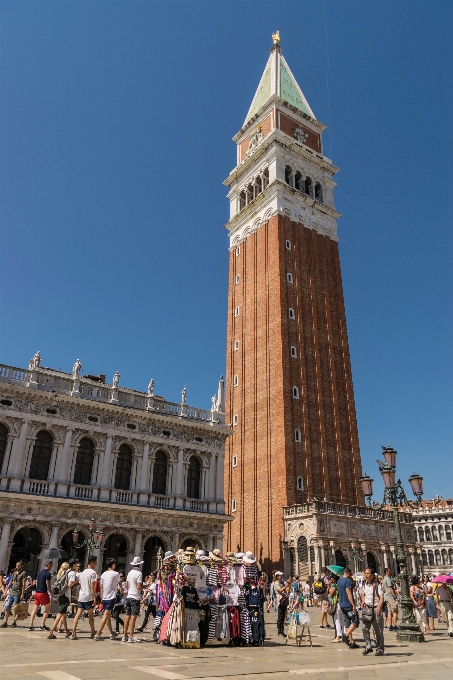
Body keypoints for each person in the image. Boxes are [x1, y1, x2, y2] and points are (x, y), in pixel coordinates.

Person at [47, 560, 78, 639]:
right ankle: (51, 632)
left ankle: (67, 631)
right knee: (60, 614)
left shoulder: (65, 572)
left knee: (64, 614)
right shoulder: (72, 573)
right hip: (66, 596)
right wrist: (75, 582)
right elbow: (69, 584)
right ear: (73, 565)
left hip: (61, 594)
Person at [71, 555, 98, 639]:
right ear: (92, 562)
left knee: (77, 615)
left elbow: (80, 585)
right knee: (91, 616)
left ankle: (73, 633)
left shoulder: (82, 573)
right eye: (95, 562)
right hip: (88, 596)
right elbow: (93, 587)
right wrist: (94, 598)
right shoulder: (93, 573)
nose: (96, 564)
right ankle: (93, 632)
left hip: (81, 596)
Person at [94, 558, 121, 640]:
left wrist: (102, 598)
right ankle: (98, 634)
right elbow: (119, 583)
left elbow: (101, 587)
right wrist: (122, 590)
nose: (115, 566)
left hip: (105, 598)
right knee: (105, 616)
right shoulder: (116, 574)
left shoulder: (103, 574)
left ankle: (112, 633)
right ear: (112, 565)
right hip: (111, 597)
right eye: (114, 564)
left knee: (108, 616)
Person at [361, 567, 384, 656]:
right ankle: (368, 646)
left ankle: (380, 649)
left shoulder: (377, 584)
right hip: (367, 609)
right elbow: (364, 595)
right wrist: (363, 600)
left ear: (372, 575)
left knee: (378, 631)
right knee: (364, 628)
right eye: (365, 573)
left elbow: (381, 597)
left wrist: (379, 607)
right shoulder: (364, 584)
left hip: (376, 609)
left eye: (367, 573)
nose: (365, 575)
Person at [123, 556, 143, 643]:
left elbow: (126, 585)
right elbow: (139, 587)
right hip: (135, 597)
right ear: (139, 565)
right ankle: (131, 636)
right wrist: (145, 586)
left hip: (129, 596)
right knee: (133, 617)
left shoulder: (130, 573)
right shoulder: (139, 574)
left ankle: (124, 636)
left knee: (127, 617)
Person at [337, 567, 359, 648]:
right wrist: (353, 605)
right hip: (348, 606)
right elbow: (348, 593)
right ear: (348, 573)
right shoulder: (347, 581)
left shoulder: (339, 581)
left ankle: (351, 641)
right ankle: (345, 635)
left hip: (342, 605)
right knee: (355, 620)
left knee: (347, 622)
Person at [1, 560, 26, 628]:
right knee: (7, 607)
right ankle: (5, 622)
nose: (17, 567)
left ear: (21, 566)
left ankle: (14, 622)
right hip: (12, 592)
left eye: (18, 566)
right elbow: (10, 582)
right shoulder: (14, 573)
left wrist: (22, 594)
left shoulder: (23, 573)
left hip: (18, 593)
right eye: (16, 566)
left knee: (16, 608)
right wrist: (6, 591)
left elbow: (23, 584)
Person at [29, 559, 53, 630]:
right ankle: (42, 625)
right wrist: (50, 591)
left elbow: (36, 582)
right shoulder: (48, 574)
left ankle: (31, 625)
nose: (51, 567)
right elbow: (47, 583)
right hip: (43, 593)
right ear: (48, 565)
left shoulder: (40, 573)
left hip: (37, 592)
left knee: (34, 609)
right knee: (47, 609)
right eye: (51, 566)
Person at [112, 570, 126, 634]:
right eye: (119, 576)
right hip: (116, 601)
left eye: (121, 576)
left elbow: (126, 592)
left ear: (124, 577)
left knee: (115, 615)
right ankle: (118, 628)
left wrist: (120, 589)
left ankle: (122, 625)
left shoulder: (125, 584)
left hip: (121, 601)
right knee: (115, 615)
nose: (120, 578)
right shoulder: (117, 583)